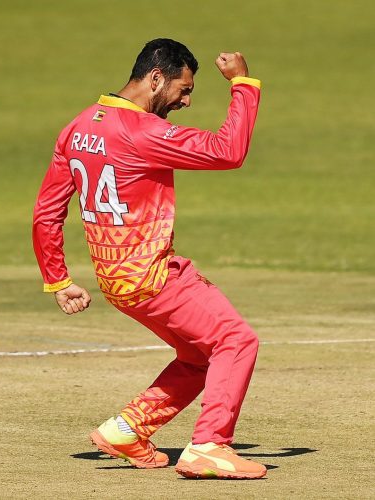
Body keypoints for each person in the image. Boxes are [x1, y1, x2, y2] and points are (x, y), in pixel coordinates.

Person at [33, 38, 266, 479]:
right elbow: (228, 151)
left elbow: (47, 211)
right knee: (236, 341)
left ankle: (127, 430)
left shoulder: (78, 126)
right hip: (154, 276)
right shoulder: (143, 132)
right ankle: (210, 446)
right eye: (183, 89)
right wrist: (242, 84)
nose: (187, 100)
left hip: (118, 283)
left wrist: (58, 279)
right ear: (156, 79)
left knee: (199, 357)